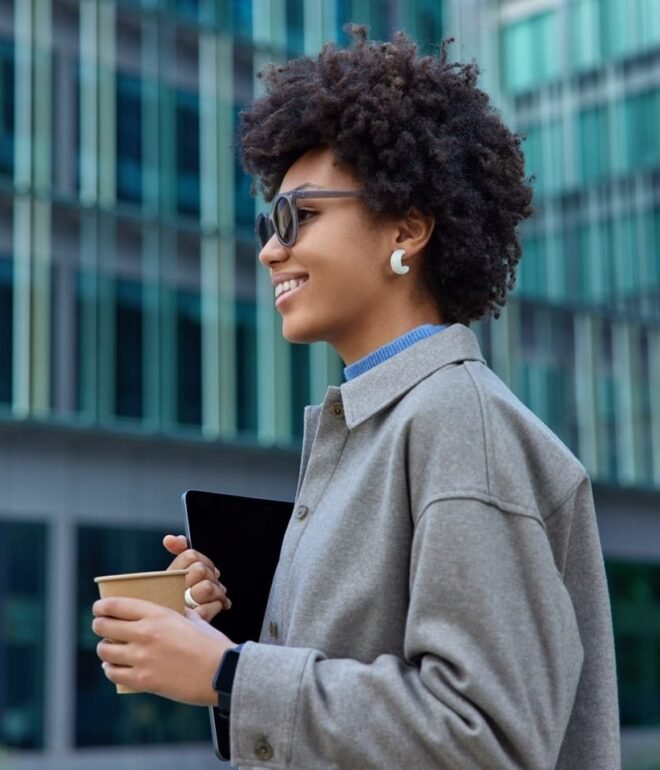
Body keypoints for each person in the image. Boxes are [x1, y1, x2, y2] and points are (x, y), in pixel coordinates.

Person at [92, 27, 620, 769]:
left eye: (297, 217)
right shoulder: (377, 426)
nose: (269, 248)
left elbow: (486, 737)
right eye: (264, 223)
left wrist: (229, 674)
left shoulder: (456, 423)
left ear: (406, 229)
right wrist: (231, 632)